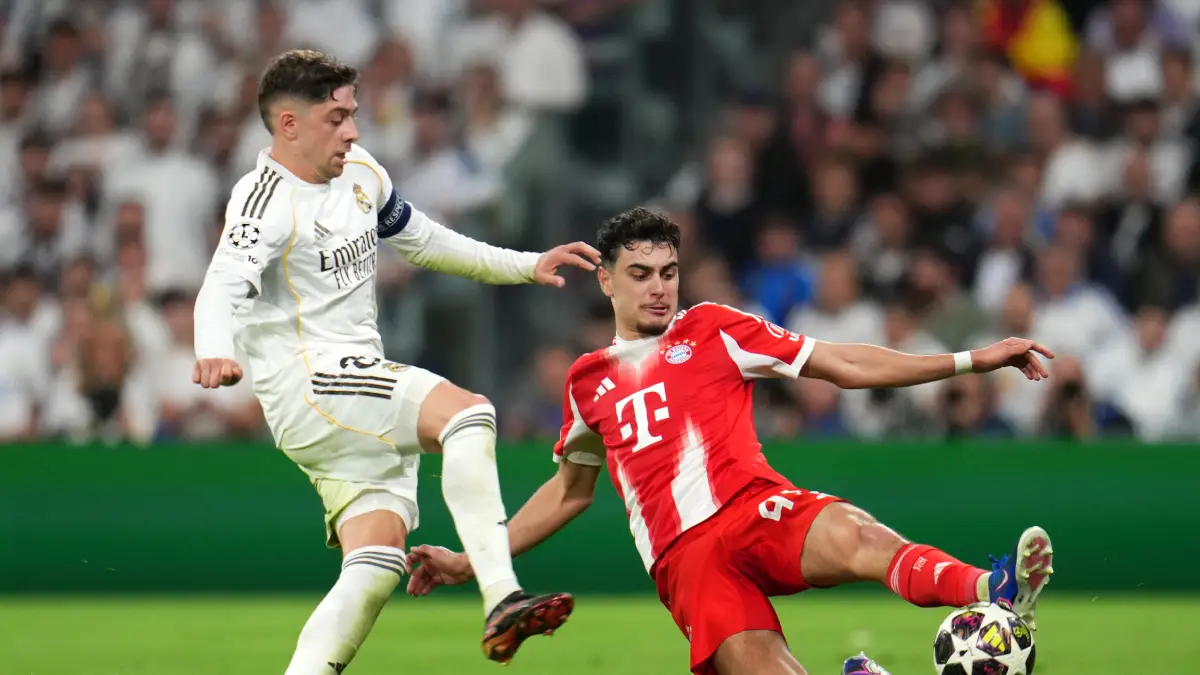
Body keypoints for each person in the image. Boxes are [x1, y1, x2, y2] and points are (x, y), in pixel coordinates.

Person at [404, 207, 1057, 675]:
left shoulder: (716, 328)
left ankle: (991, 589)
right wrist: (472, 560)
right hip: (689, 560)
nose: (660, 286)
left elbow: (844, 364)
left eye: (669, 270)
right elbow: (569, 492)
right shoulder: (586, 382)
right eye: (641, 273)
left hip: (754, 504)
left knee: (858, 534)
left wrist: (973, 358)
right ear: (605, 279)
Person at [191, 50, 595, 673]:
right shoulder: (263, 198)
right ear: (289, 125)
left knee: (375, 566)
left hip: (353, 394)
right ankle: (501, 596)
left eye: (354, 114)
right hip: (311, 385)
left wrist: (523, 263)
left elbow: (425, 241)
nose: (353, 130)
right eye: (337, 118)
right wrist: (212, 347)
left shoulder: (359, 172)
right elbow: (221, 285)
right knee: (469, 416)